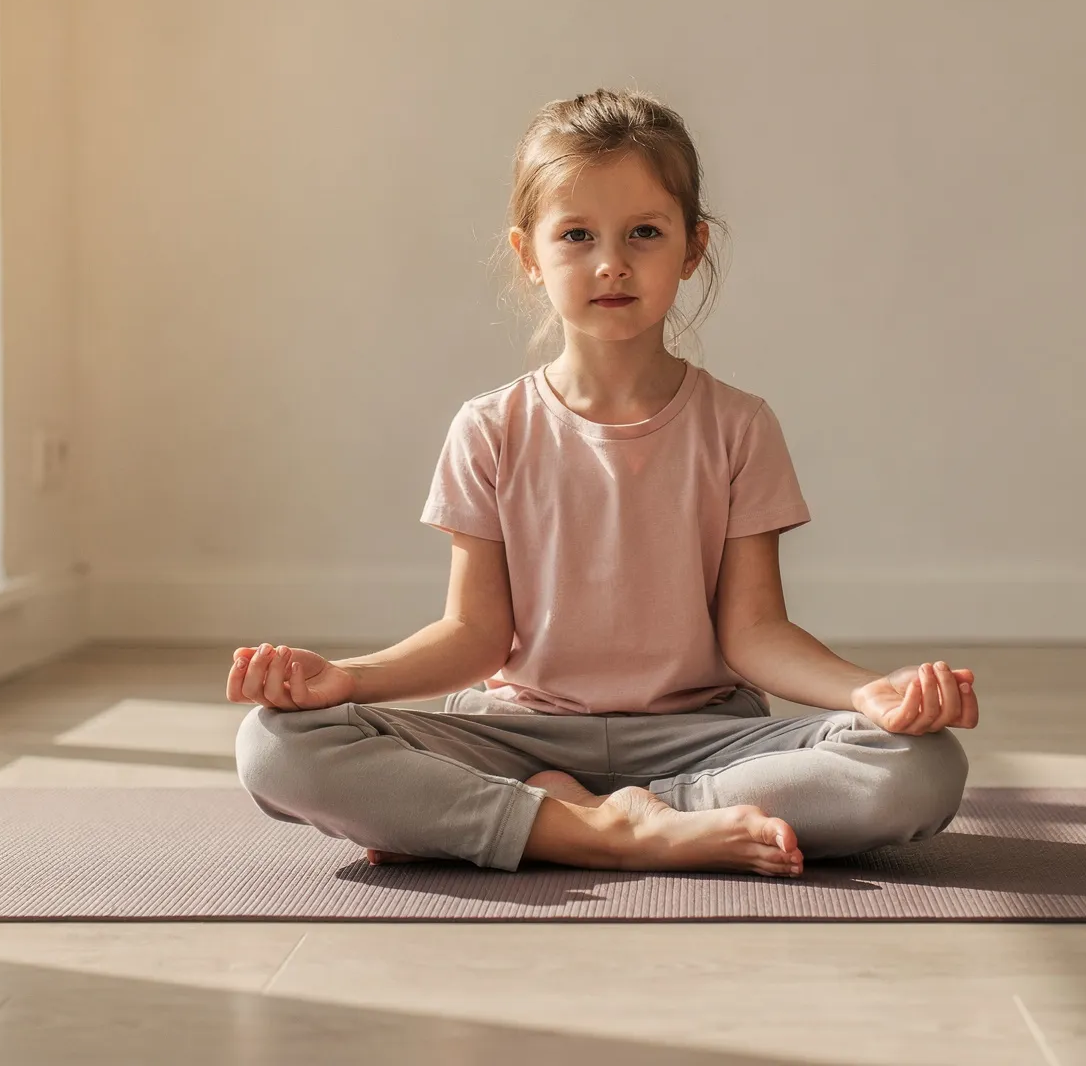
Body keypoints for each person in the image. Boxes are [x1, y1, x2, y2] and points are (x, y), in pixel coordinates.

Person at [229, 88, 978, 877]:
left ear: (693, 248)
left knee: (921, 765)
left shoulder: (739, 426)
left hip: (705, 738)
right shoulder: (490, 428)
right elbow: (475, 636)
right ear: (529, 253)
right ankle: (624, 830)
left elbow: (753, 634)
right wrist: (348, 679)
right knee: (278, 744)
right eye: (577, 234)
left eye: (644, 234)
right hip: (519, 738)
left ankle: (560, 820)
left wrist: (870, 694)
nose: (611, 262)